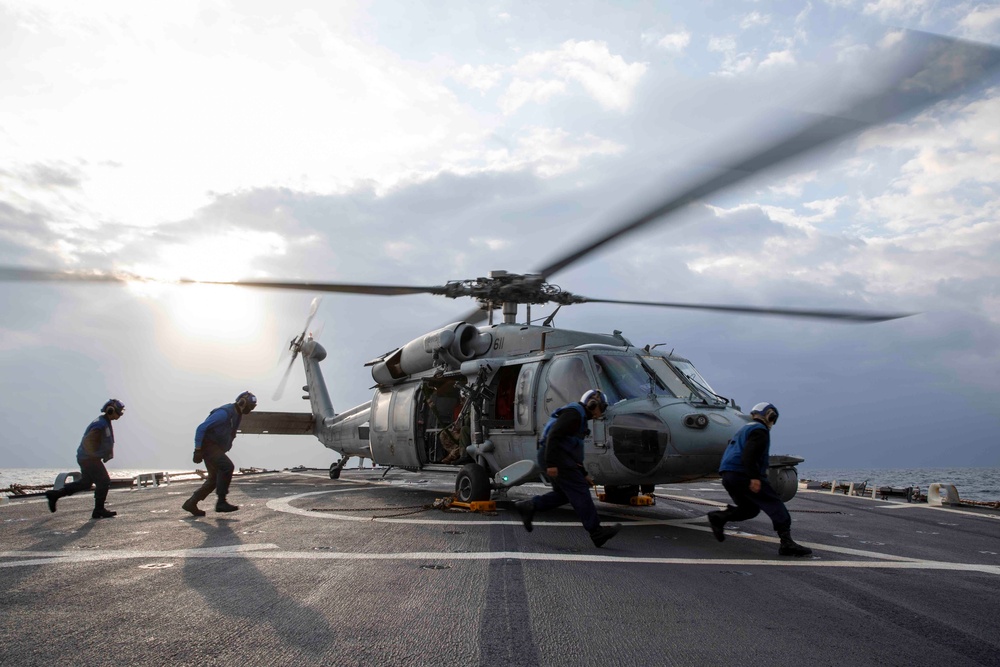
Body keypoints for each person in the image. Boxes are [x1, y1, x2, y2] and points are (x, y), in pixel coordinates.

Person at [515, 389, 621, 548]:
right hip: (555, 456)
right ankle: (597, 533)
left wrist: (583, 473)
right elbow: (554, 436)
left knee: (565, 494)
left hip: (559, 457)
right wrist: (551, 464)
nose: (602, 412)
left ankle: (530, 505)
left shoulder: (580, 417)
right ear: (592, 404)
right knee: (580, 490)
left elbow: (573, 449)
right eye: (603, 407)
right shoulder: (574, 415)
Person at [707, 402, 812, 557]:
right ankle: (787, 543)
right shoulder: (760, 431)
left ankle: (719, 517)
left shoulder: (744, 429)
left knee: (750, 509)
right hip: (743, 474)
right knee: (774, 503)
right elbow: (749, 455)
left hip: (728, 474)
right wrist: (754, 477)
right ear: (770, 415)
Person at [45, 399, 125, 519]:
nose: (120, 415)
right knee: (104, 481)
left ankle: (55, 495)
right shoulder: (100, 424)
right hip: (89, 459)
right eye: (119, 412)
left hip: (87, 458)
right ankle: (98, 510)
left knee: (85, 483)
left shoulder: (104, 421)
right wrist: (94, 455)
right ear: (111, 410)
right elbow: (88, 441)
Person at [182, 391, 257, 516]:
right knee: (227, 467)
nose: (250, 409)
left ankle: (191, 503)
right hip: (208, 446)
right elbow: (201, 428)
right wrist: (198, 450)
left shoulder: (237, 415)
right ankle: (221, 502)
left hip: (215, 448)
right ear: (242, 402)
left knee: (214, 479)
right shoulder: (224, 413)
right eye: (250, 406)